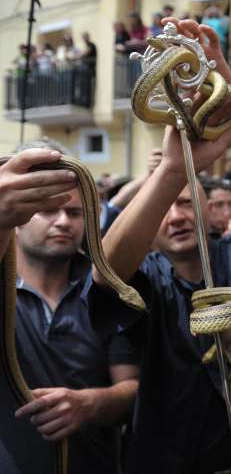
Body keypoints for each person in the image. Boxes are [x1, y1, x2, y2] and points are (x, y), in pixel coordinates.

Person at [84, 19, 231, 474]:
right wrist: (171, 173)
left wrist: (229, 89)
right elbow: (106, 276)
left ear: (210, 208)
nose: (177, 215)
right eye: (164, 210)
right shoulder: (148, 281)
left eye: (186, 202)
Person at [4, 140, 139, 474]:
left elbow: (133, 388)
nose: (63, 222)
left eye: (74, 212)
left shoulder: (106, 290)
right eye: (48, 211)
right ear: (19, 217)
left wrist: (87, 404)